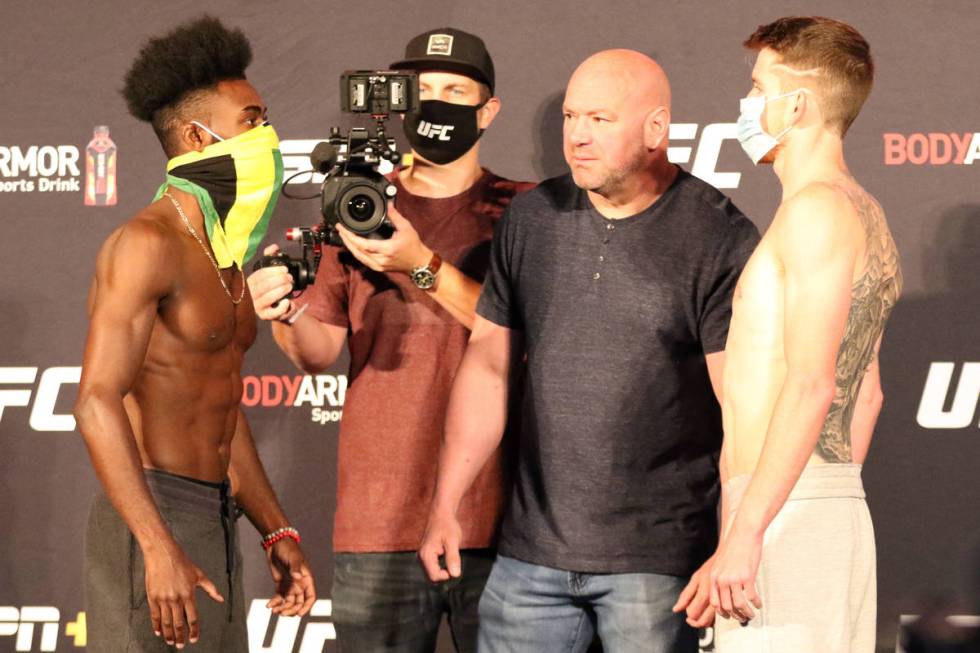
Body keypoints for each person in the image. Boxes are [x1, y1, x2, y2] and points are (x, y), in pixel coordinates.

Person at [417, 49, 759, 652]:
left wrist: (736, 537)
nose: (576, 136)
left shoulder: (717, 235)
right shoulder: (532, 218)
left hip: (657, 563)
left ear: (656, 128)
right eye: (571, 117)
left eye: (599, 120)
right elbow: (489, 365)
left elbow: (743, 409)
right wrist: (447, 501)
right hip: (529, 558)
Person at [247, 27, 532, 653]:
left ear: (488, 110)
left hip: (505, 520)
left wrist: (417, 261)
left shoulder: (527, 211)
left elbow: (530, 338)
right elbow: (318, 350)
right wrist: (282, 312)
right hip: (380, 521)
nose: (437, 104)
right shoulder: (352, 207)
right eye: (422, 90)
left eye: (455, 90)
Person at [74, 16, 315, 652]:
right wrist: (156, 548)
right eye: (252, 120)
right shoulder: (144, 244)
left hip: (215, 517)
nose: (267, 134)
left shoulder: (228, 260)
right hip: (148, 517)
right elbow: (95, 399)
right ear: (195, 136)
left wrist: (274, 528)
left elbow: (222, 408)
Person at [674, 16, 902, 653]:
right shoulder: (860, 212)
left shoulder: (814, 212)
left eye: (757, 88)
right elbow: (870, 396)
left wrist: (750, 535)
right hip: (810, 502)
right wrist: (804, 516)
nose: (747, 106)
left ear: (796, 103)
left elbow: (812, 384)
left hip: (784, 510)